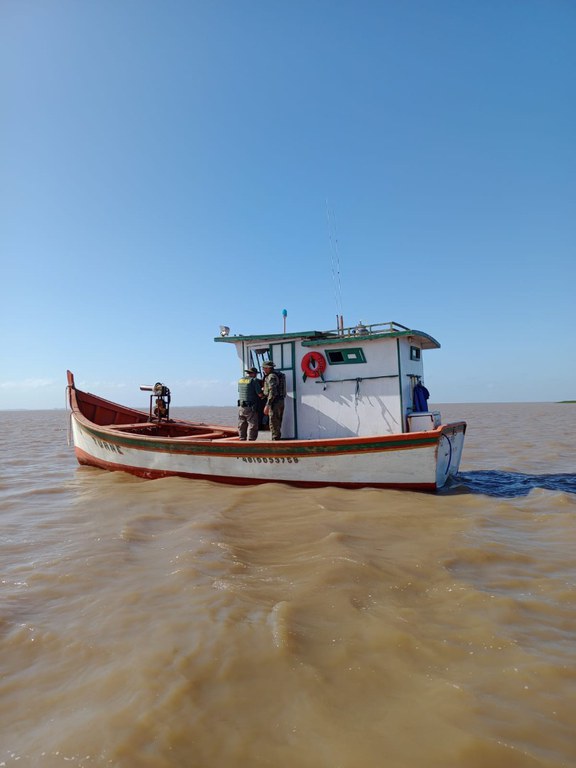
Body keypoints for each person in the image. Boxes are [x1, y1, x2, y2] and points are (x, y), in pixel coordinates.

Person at [262, 361, 285, 440]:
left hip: (274, 402)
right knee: (277, 421)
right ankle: (277, 438)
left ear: (268, 368)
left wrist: (268, 405)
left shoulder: (271, 376)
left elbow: (273, 391)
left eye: (264, 368)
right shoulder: (278, 374)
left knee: (273, 422)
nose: (263, 370)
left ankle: (275, 440)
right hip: (280, 401)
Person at [237, 367, 262, 441]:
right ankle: (251, 441)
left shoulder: (241, 380)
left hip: (241, 407)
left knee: (242, 424)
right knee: (252, 424)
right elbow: (260, 394)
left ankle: (242, 439)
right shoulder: (253, 381)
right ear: (254, 374)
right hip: (250, 407)